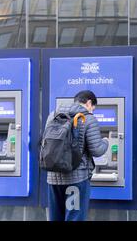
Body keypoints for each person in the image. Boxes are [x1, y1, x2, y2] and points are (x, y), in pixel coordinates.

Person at [45, 90, 109, 221]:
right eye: (93, 108)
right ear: (89, 103)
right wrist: (106, 142)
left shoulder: (53, 115)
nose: (92, 111)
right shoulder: (88, 119)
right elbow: (97, 150)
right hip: (76, 179)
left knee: (56, 217)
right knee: (74, 217)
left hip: (53, 178)